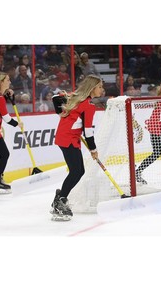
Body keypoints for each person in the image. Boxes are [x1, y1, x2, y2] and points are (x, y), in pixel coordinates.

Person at [51, 74, 103, 219]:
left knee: (79, 171)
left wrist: (63, 113)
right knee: (76, 171)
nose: (101, 89)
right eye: (99, 86)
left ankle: (60, 196)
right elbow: (88, 132)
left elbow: (55, 98)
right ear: (92, 88)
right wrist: (93, 150)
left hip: (67, 138)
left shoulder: (77, 99)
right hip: (68, 139)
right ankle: (60, 201)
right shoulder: (87, 105)